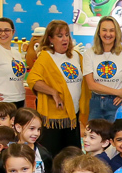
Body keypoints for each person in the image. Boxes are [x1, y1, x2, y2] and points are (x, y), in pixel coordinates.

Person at [26, 19, 88, 160]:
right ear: (50, 39)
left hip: (73, 114)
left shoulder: (76, 56)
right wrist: (53, 92)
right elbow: (33, 80)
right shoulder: (46, 56)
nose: (65, 39)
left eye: (66, 35)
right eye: (60, 36)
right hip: (54, 117)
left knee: (73, 155)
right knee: (53, 156)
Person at [81, 16, 122, 122]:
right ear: (99, 32)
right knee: (94, 132)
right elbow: (91, 85)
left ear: (117, 33)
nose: (108, 34)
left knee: (118, 133)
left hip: (118, 104)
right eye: (104, 30)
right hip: (96, 104)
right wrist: (118, 92)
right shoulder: (89, 53)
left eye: (112, 30)